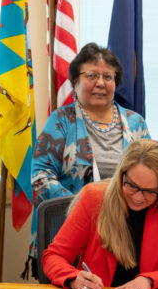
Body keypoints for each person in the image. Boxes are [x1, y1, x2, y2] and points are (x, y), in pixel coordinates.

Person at [27, 43, 150, 276]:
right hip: (69, 230)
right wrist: (85, 207)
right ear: (75, 82)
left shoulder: (136, 123)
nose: (101, 83)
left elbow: (152, 173)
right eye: (92, 75)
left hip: (124, 233)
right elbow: (40, 176)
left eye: (108, 76)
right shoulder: (62, 121)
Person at [42, 139, 158, 289]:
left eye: (149, 191)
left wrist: (149, 280)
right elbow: (53, 257)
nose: (138, 197)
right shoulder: (93, 200)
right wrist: (73, 278)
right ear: (121, 175)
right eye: (132, 186)